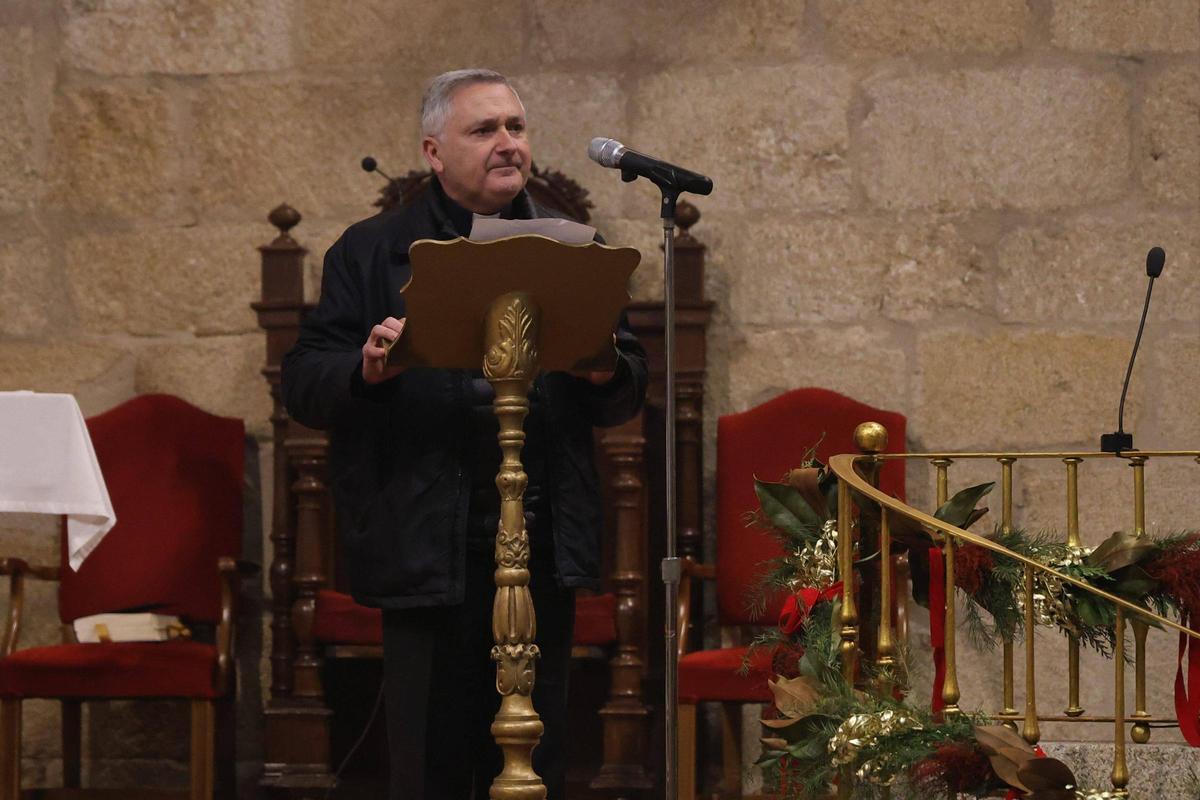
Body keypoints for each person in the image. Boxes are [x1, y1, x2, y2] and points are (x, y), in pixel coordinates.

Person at [281, 68, 647, 800]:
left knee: (537, 755)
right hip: (428, 544)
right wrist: (367, 369)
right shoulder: (371, 251)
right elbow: (303, 382)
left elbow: (627, 384)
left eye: (516, 127)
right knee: (434, 761)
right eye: (485, 130)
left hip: (541, 538)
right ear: (433, 151)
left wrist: (604, 365)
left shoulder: (575, 248)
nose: (509, 144)